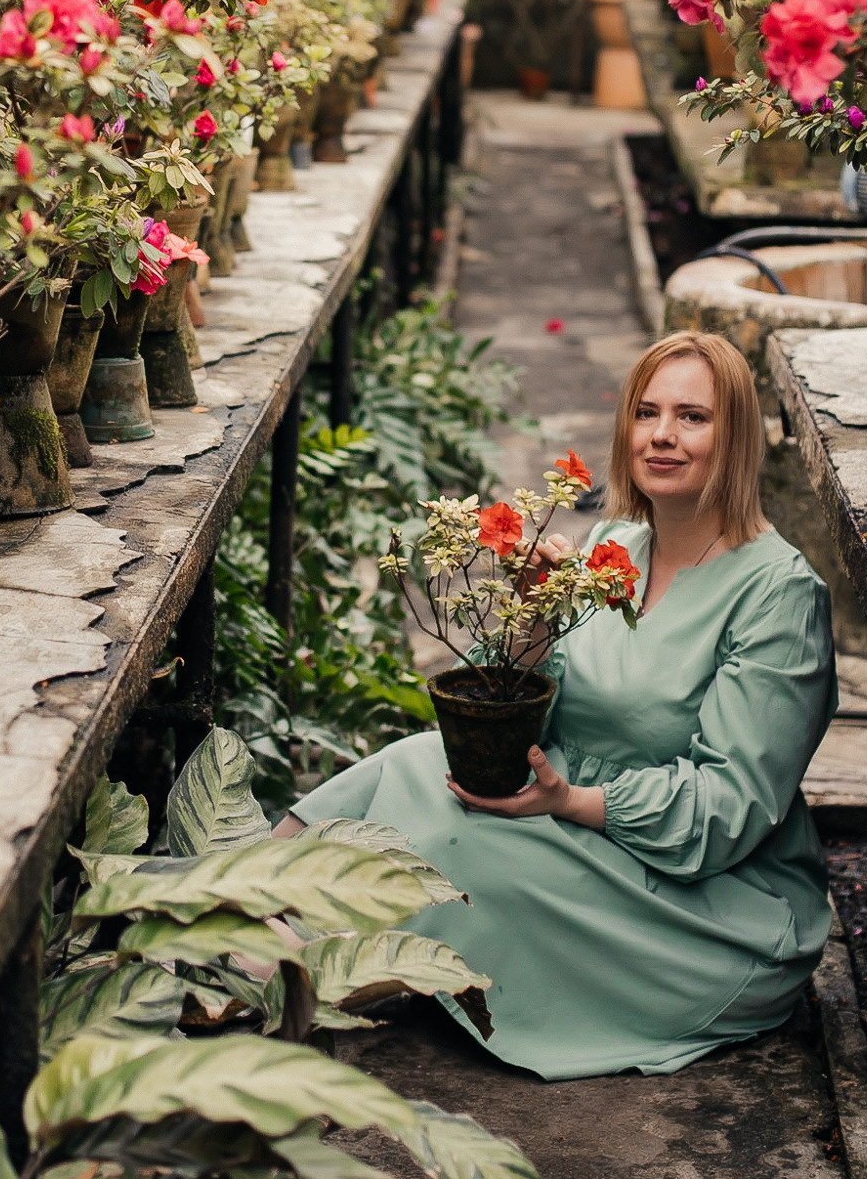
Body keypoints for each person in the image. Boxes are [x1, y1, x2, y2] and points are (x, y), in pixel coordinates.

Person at [276, 331, 836, 1080]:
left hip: (706, 905)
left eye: (693, 417)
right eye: (647, 412)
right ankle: (242, 898)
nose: (663, 435)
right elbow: (553, 713)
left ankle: (287, 969)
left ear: (736, 438)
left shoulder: (778, 596)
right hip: (577, 819)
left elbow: (726, 810)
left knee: (466, 852)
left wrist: (570, 801)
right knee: (412, 764)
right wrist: (533, 623)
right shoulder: (615, 544)